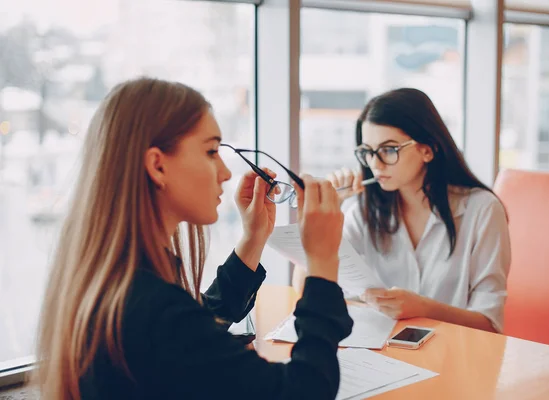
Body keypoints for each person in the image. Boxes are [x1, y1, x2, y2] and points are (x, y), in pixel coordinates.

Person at [35, 77, 352, 400]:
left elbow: (202, 322)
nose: (226, 173)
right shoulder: (152, 308)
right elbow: (306, 391)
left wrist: (253, 239)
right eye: (211, 151)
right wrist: (323, 261)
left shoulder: (116, 282)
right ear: (158, 165)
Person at [293, 88, 510, 333]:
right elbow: (304, 291)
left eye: (388, 150)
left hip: (454, 355)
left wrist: (424, 308)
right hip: (382, 356)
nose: (375, 164)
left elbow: (490, 325)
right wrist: (329, 210)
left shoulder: (482, 210)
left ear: (427, 150)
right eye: (368, 152)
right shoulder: (362, 211)